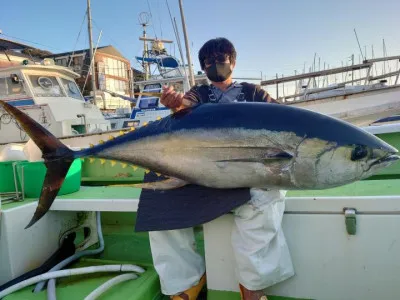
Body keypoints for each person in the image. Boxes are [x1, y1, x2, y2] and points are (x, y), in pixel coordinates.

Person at [149, 37, 294, 300]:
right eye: (208, 62)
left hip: (247, 171)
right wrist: (174, 103)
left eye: (220, 59)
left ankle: (252, 284)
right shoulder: (199, 93)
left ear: (233, 62)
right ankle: (185, 283)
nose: (214, 65)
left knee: (268, 197)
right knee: (159, 202)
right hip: (203, 171)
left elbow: (281, 118)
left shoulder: (254, 93)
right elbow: (186, 105)